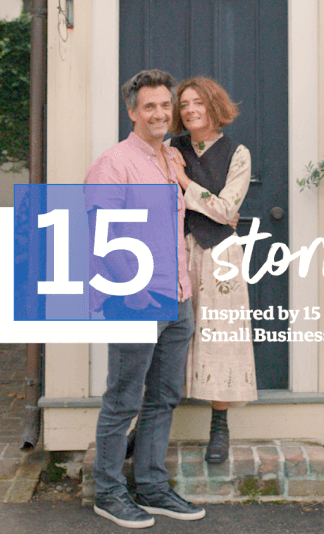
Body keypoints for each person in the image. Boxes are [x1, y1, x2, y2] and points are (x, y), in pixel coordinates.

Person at [84, 69, 206, 529]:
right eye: (149, 106)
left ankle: (152, 487)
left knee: (163, 397)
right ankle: (109, 493)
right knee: (123, 399)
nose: (160, 113)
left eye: (165, 105)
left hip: (176, 296)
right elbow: (98, 233)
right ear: (133, 112)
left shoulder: (171, 158)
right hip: (135, 299)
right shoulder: (114, 163)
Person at [168, 76, 257, 465]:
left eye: (197, 103)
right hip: (175, 249)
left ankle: (219, 427)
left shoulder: (238, 154)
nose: (189, 110)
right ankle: (149, 422)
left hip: (220, 256)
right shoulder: (171, 148)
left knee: (221, 338)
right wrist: (213, 205)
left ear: (214, 106)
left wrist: (185, 181)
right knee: (167, 337)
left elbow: (225, 210)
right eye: (184, 104)